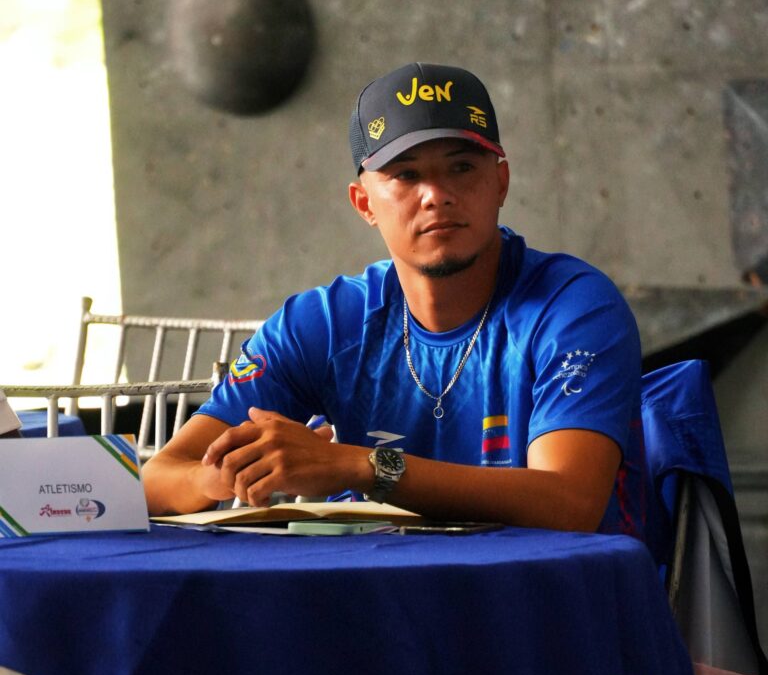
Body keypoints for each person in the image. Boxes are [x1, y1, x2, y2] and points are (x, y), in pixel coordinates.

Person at [143, 62, 645, 538]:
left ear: (501, 182)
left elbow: (569, 502)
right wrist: (225, 474)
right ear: (364, 203)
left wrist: (360, 466)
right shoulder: (324, 323)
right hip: (378, 590)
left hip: (548, 593)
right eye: (405, 175)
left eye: (462, 167)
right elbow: (156, 479)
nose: (436, 195)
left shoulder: (573, 306)